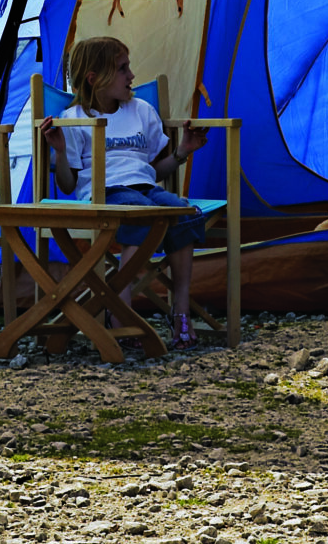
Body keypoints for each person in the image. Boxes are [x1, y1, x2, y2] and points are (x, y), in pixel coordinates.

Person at [41, 36, 208, 345]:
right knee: (139, 216)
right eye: (122, 69)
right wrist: (61, 152)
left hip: (145, 189)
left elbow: (154, 170)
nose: (131, 76)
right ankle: (121, 315)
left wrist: (182, 152)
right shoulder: (75, 119)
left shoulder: (142, 111)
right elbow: (67, 185)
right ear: (94, 79)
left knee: (183, 213)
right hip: (105, 193)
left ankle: (181, 314)